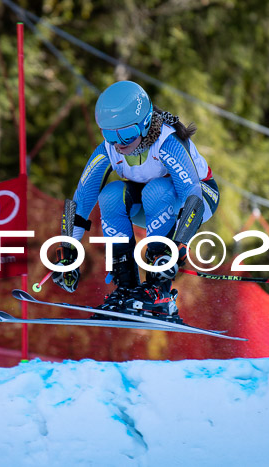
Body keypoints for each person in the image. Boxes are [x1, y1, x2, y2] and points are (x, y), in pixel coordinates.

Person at [52, 80, 220, 321]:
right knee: (109, 195)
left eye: (127, 133)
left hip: (199, 198)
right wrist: (68, 252)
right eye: (110, 134)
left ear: (145, 123)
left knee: (157, 189)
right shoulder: (109, 149)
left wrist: (180, 243)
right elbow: (82, 198)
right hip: (152, 205)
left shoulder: (167, 142)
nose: (120, 143)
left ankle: (158, 291)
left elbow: (191, 194)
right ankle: (126, 289)